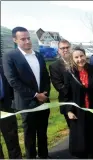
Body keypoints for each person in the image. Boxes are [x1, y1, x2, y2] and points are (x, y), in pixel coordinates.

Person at [2, 26, 51, 159]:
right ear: (15, 40)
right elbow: (13, 81)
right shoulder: (9, 57)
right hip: (26, 103)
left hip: (44, 101)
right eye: (23, 39)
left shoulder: (38, 55)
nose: (27, 41)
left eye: (28, 38)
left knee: (42, 132)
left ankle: (44, 156)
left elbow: (46, 76)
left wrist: (45, 93)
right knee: (29, 134)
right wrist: (35, 95)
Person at [63, 47, 93, 158]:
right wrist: (69, 111)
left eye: (81, 56)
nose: (80, 59)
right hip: (78, 111)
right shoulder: (69, 73)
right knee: (82, 138)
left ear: (85, 56)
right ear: (72, 59)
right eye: (76, 57)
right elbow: (66, 94)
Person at [0, 59, 22, 159]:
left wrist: (14, 101)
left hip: (6, 105)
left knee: (12, 138)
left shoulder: (3, 66)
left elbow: (12, 84)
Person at [49, 39, 71, 127]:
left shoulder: (78, 61)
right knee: (74, 132)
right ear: (58, 50)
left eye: (67, 47)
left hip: (84, 102)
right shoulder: (54, 66)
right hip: (68, 102)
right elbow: (59, 86)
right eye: (62, 48)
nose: (65, 50)